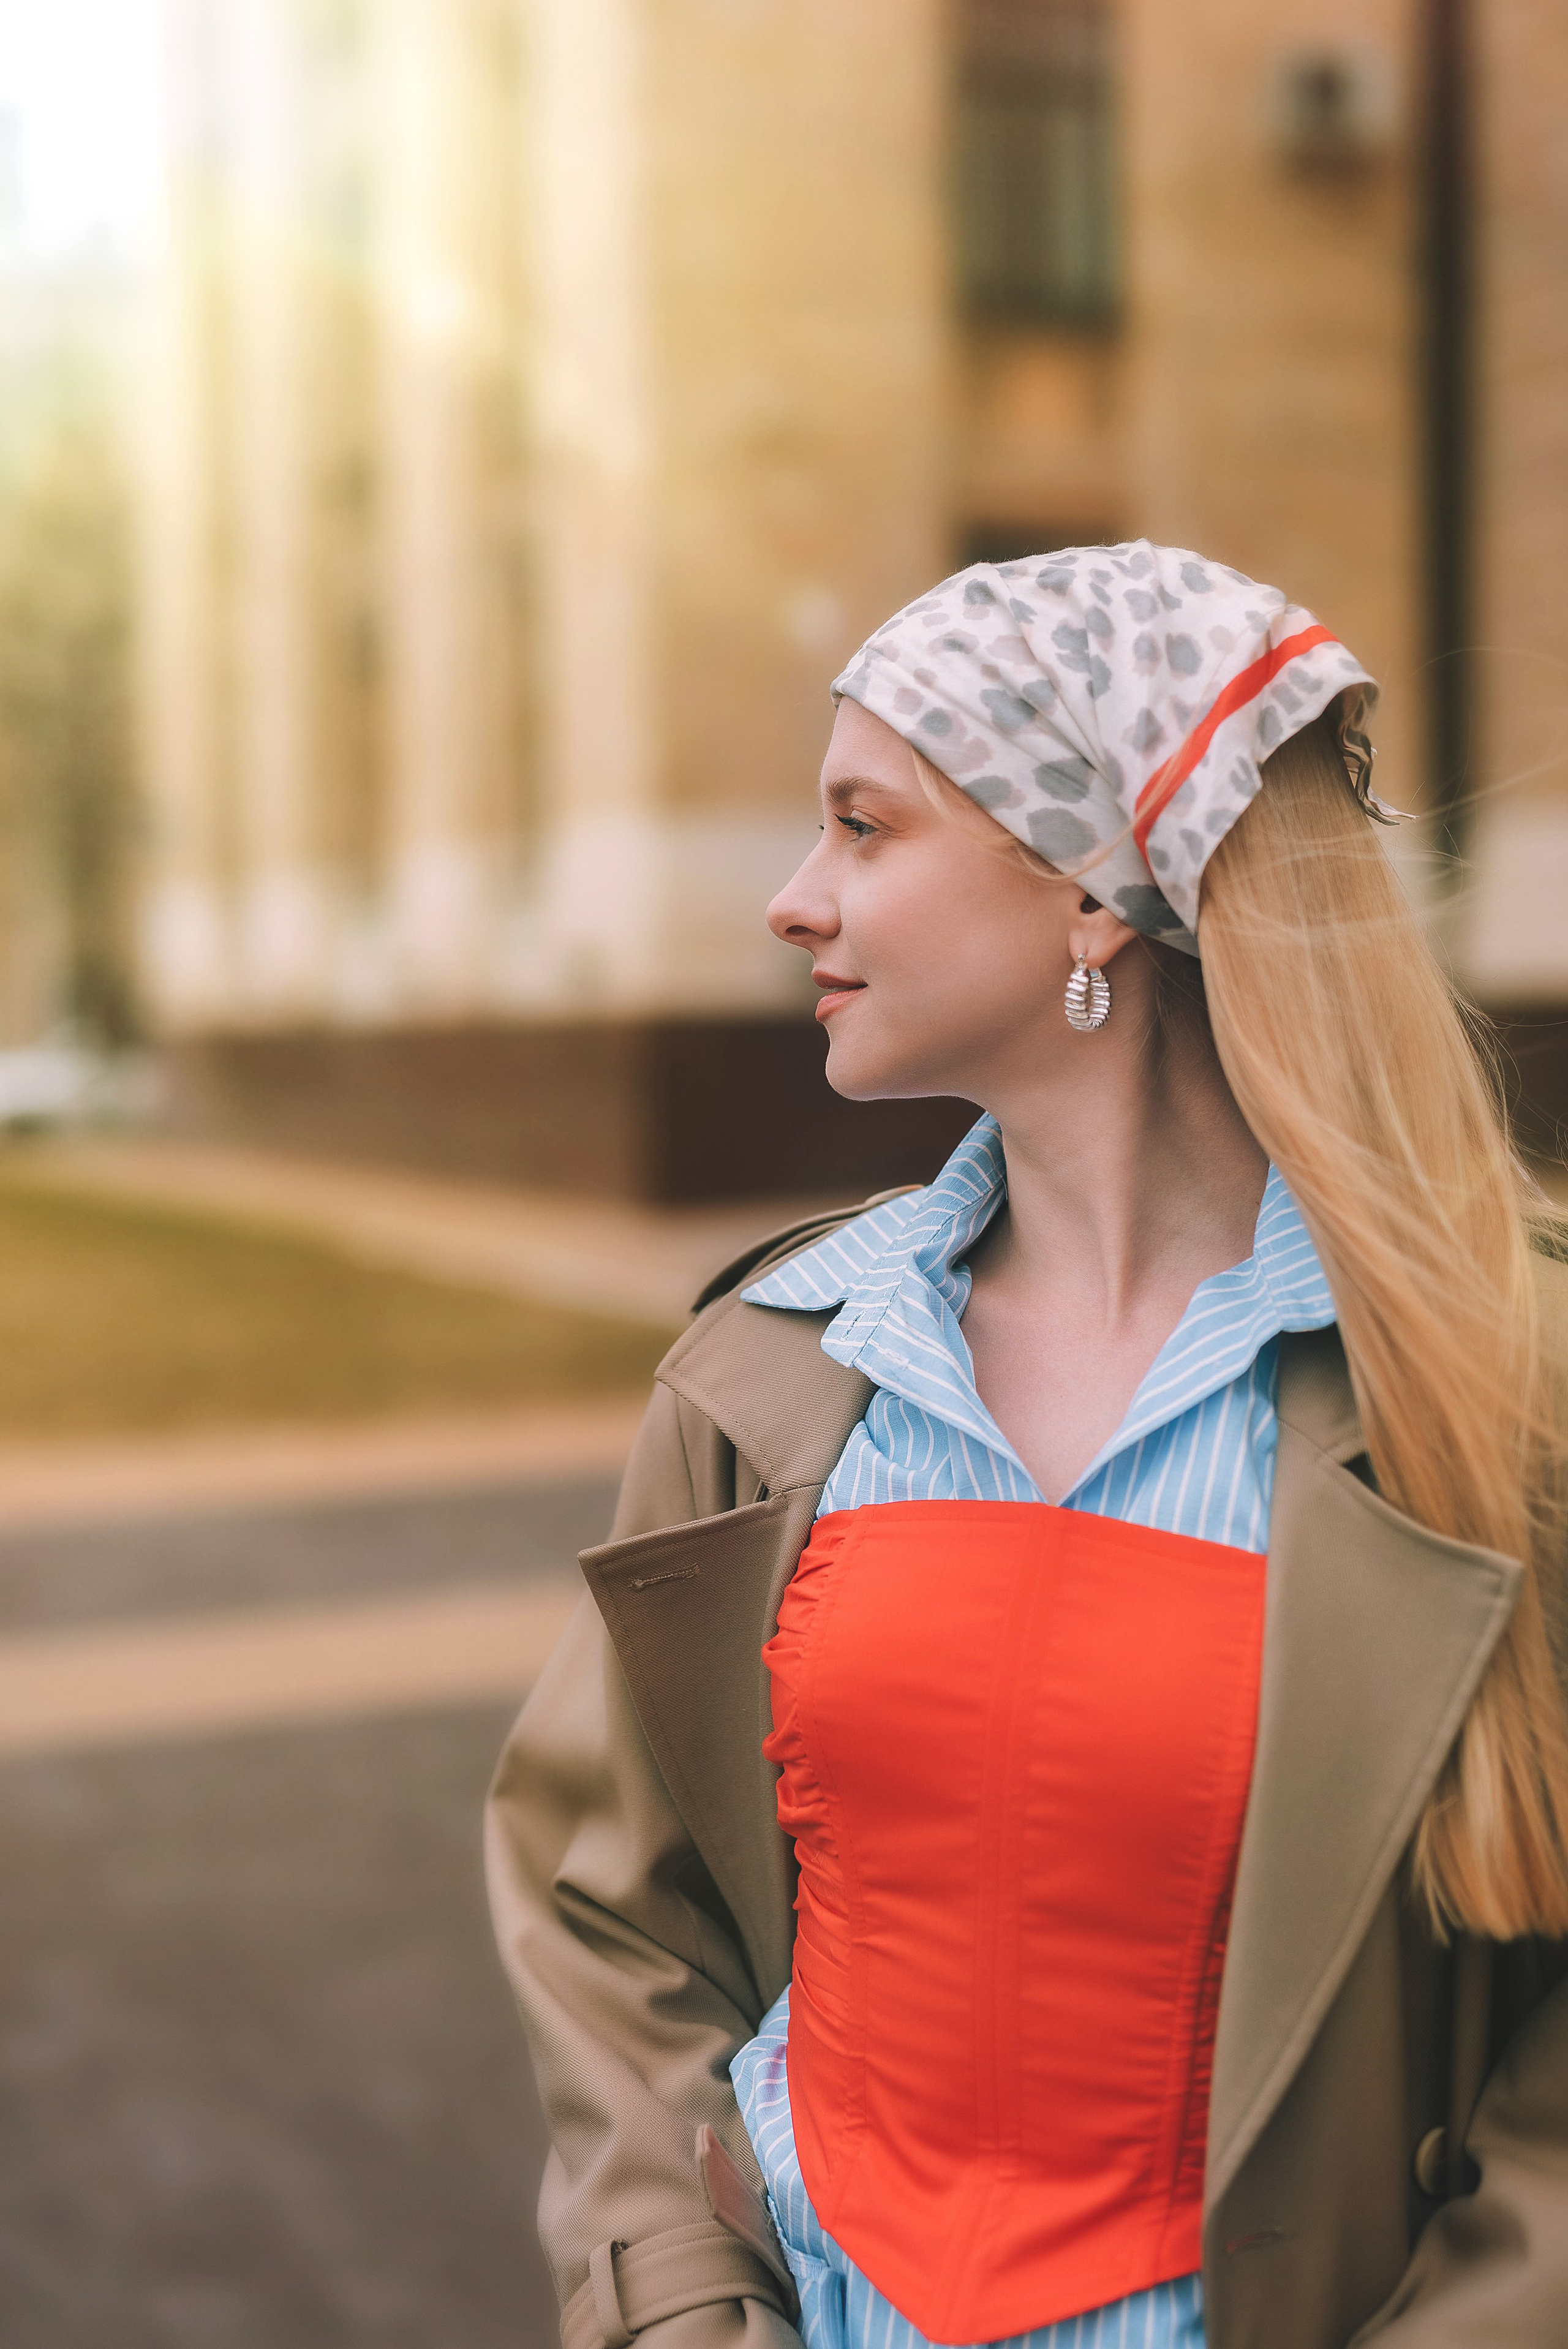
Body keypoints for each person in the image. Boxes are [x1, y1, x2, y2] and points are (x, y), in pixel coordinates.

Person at [486, 542, 1568, 2349]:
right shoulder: (763, 1376)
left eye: (864, 824)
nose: (793, 900)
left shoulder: (1501, 1387)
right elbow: (614, 1923)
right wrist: (677, 2305)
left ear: (1090, 889)